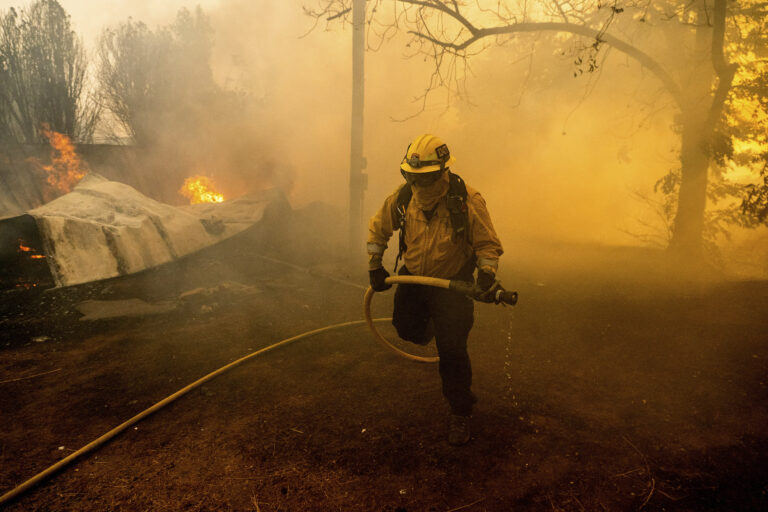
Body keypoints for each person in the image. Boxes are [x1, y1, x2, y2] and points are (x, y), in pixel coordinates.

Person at [367, 134, 504, 446]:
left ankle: (460, 412)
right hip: (413, 279)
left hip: (452, 285)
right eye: (411, 177)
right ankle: (432, 327)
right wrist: (375, 264)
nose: (418, 185)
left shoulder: (467, 200)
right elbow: (379, 228)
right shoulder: (403, 198)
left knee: (452, 352)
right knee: (405, 328)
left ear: (442, 171)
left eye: (424, 178)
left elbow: (487, 244)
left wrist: (486, 275)